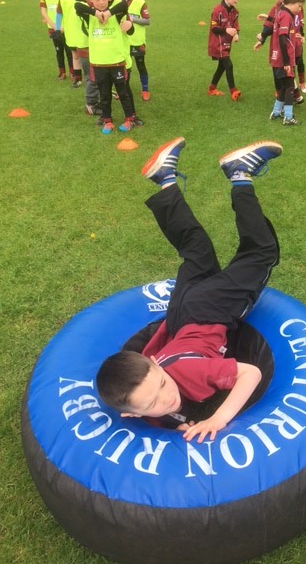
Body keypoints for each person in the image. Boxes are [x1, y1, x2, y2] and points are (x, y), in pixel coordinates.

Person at [96, 138, 282, 443]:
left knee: (261, 253)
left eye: (161, 384)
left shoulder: (190, 373)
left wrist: (218, 418)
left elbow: (251, 374)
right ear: (131, 415)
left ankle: (240, 174)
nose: (167, 397)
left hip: (208, 312)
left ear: (156, 365)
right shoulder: (148, 394)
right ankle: (164, 179)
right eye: (152, 404)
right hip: (181, 312)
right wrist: (174, 425)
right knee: (195, 248)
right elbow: (159, 408)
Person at [75, 0, 136, 135]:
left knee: (123, 93)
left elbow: (123, 5)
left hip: (116, 62)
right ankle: (108, 121)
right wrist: (96, 13)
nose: (101, 2)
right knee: (104, 95)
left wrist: (108, 13)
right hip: (99, 63)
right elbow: (77, 6)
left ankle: (129, 119)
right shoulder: (88, 15)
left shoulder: (116, 12)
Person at [268, 0, 305, 126]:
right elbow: (283, 38)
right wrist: (286, 62)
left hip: (278, 58)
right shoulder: (286, 16)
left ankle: (276, 112)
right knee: (289, 87)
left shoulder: (280, 13)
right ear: (293, 2)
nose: (300, 9)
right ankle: (288, 117)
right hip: (284, 59)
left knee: (284, 87)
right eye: (299, 6)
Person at [119, 0, 151, 101]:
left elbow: (147, 21)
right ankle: (123, 90)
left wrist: (133, 19)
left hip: (137, 41)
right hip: (122, 42)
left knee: (140, 65)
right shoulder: (115, 1)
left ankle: (145, 90)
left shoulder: (140, 2)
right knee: (123, 67)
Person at [207, 0, 241, 101]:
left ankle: (212, 88)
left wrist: (236, 35)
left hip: (226, 44)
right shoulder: (217, 10)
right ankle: (233, 91)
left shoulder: (235, 12)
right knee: (228, 65)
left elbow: (236, 27)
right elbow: (214, 28)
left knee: (222, 66)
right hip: (217, 44)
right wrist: (226, 30)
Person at [39, 0, 73, 80]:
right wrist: (55, 26)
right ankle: (62, 72)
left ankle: (73, 72)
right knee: (59, 50)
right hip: (53, 29)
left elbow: (69, 11)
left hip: (66, 28)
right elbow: (43, 12)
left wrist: (64, 26)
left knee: (69, 51)